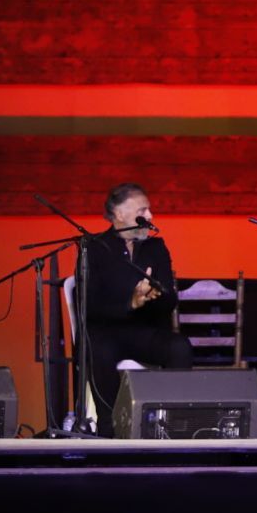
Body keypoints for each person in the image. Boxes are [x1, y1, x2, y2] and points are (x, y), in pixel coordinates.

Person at [80, 183, 192, 436]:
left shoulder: (156, 247)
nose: (150, 216)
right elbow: (89, 306)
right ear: (119, 214)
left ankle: (174, 425)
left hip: (145, 332)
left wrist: (155, 296)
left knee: (179, 347)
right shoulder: (95, 247)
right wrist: (130, 303)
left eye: (149, 209)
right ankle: (108, 429)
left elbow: (170, 301)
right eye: (143, 209)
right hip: (107, 334)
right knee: (99, 351)